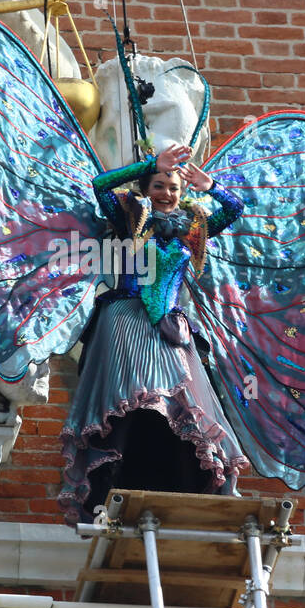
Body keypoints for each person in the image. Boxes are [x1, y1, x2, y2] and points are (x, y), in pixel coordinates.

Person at [58, 143, 251, 522]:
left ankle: (179, 486)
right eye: (159, 186)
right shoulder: (129, 215)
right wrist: (151, 164)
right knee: (129, 401)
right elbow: (100, 185)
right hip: (125, 319)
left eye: (174, 188)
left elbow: (235, 210)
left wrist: (210, 186)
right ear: (146, 189)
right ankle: (111, 482)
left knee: (182, 403)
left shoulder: (193, 227)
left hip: (170, 327)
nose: (166, 194)